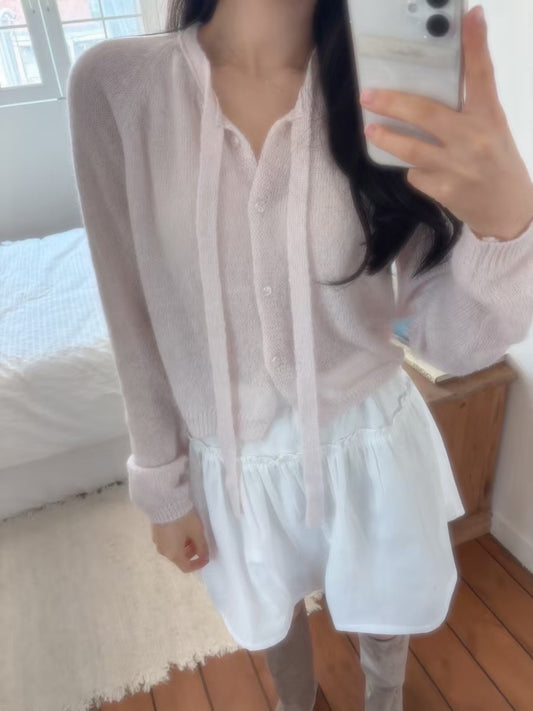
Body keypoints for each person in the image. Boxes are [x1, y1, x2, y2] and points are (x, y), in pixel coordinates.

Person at [66, 1, 533, 709]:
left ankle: (384, 697)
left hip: (370, 441)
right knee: (272, 609)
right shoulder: (117, 87)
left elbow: (437, 337)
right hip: (232, 463)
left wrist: (509, 231)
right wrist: (160, 483)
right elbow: (129, 314)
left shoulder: (388, 80)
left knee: (386, 611)